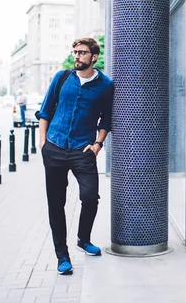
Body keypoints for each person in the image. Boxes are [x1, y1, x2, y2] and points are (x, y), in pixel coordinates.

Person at [35, 37, 114, 276]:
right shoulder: (62, 78)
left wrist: (98, 145)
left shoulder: (105, 85)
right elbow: (46, 110)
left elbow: (106, 119)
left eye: (82, 52)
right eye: (75, 52)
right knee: (56, 204)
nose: (77, 56)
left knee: (90, 197)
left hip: (83, 150)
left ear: (94, 57)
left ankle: (83, 238)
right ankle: (62, 256)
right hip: (55, 147)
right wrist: (43, 144)